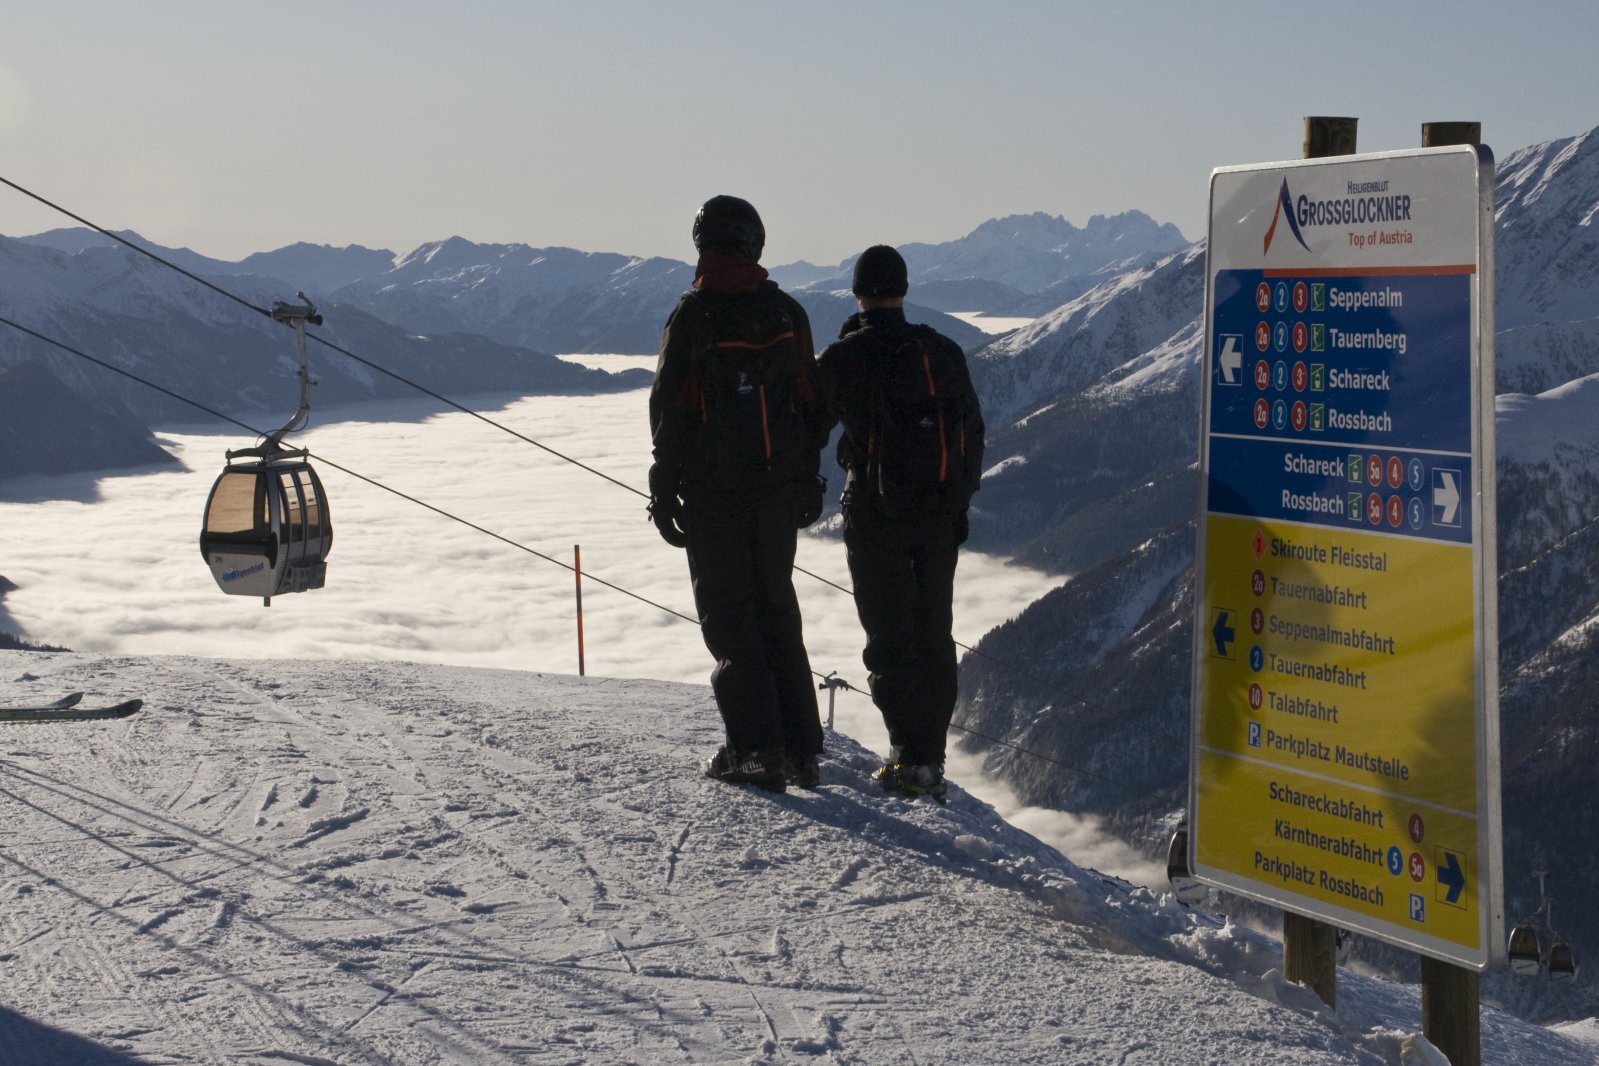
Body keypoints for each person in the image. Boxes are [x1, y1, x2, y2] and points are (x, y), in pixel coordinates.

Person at [647, 195, 827, 793]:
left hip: (712, 493)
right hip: (777, 490)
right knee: (777, 608)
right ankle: (801, 751)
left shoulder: (694, 314)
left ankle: (755, 750)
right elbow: (810, 405)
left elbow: (671, 406)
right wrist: (807, 477)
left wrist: (663, 484)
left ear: (703, 246)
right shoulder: (786, 313)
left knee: (730, 617)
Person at [815, 245, 985, 802]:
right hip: (938, 517)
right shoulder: (941, 351)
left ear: (858, 291)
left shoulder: (847, 356)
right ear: (904, 289)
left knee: (890, 639)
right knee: (934, 635)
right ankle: (928, 761)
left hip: (875, 515)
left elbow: (803, 425)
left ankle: (907, 759)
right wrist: (958, 503)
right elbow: (972, 434)